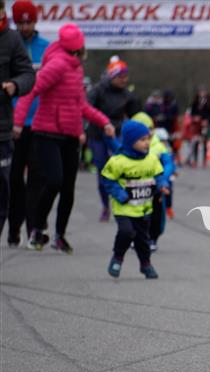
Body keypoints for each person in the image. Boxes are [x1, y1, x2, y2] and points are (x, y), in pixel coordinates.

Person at [14, 23, 113, 252]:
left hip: (70, 134)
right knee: (55, 181)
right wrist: (18, 122)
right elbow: (31, 90)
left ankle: (59, 235)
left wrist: (104, 122)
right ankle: (37, 228)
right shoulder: (58, 65)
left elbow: (81, 105)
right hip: (47, 132)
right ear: (78, 47)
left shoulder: (76, 68)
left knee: (68, 188)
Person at [102, 120, 168, 279]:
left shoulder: (151, 159)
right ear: (130, 141)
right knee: (126, 232)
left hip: (144, 207)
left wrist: (162, 186)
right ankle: (117, 258)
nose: (147, 143)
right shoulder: (118, 161)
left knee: (143, 239)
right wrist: (120, 194)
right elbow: (107, 180)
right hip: (124, 207)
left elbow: (159, 175)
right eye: (142, 140)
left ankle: (145, 264)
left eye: (148, 139)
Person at [87, 57, 141, 221]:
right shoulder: (98, 90)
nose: (124, 80)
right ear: (112, 76)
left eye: (126, 77)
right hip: (98, 134)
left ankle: (123, 201)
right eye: (120, 77)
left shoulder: (128, 95)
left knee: (122, 169)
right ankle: (105, 206)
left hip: (117, 134)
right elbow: (87, 109)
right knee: (103, 171)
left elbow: (137, 116)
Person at [1, 0, 36, 243]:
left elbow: (28, 77)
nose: (25, 26)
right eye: (21, 22)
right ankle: (15, 228)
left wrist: (16, 85)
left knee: (34, 181)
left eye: (29, 22)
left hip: (32, 124)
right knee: (14, 181)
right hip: (14, 124)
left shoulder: (12, 40)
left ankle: (32, 228)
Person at [130, 112, 175, 250]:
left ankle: (153, 238)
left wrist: (163, 178)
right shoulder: (128, 146)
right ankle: (137, 237)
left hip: (155, 187)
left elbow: (169, 164)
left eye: (148, 129)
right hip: (136, 187)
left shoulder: (158, 146)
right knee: (136, 213)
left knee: (156, 214)